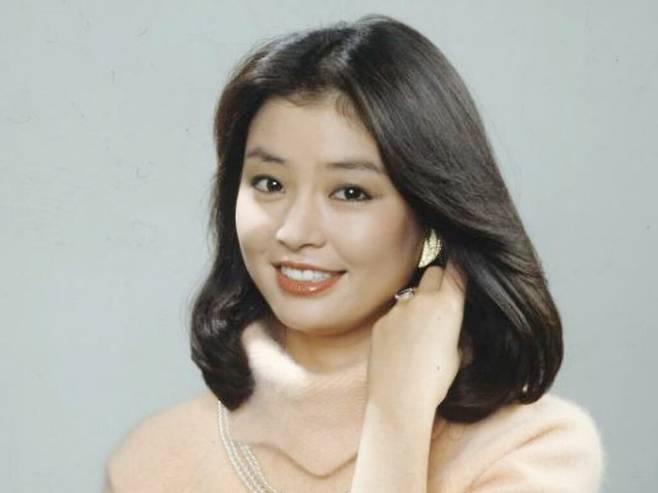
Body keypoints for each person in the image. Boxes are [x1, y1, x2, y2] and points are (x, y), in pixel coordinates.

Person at [103, 14, 604, 493]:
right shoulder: (153, 460)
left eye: (350, 192)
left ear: (432, 216)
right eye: (269, 183)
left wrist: (396, 412)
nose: (294, 231)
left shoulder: (532, 450)